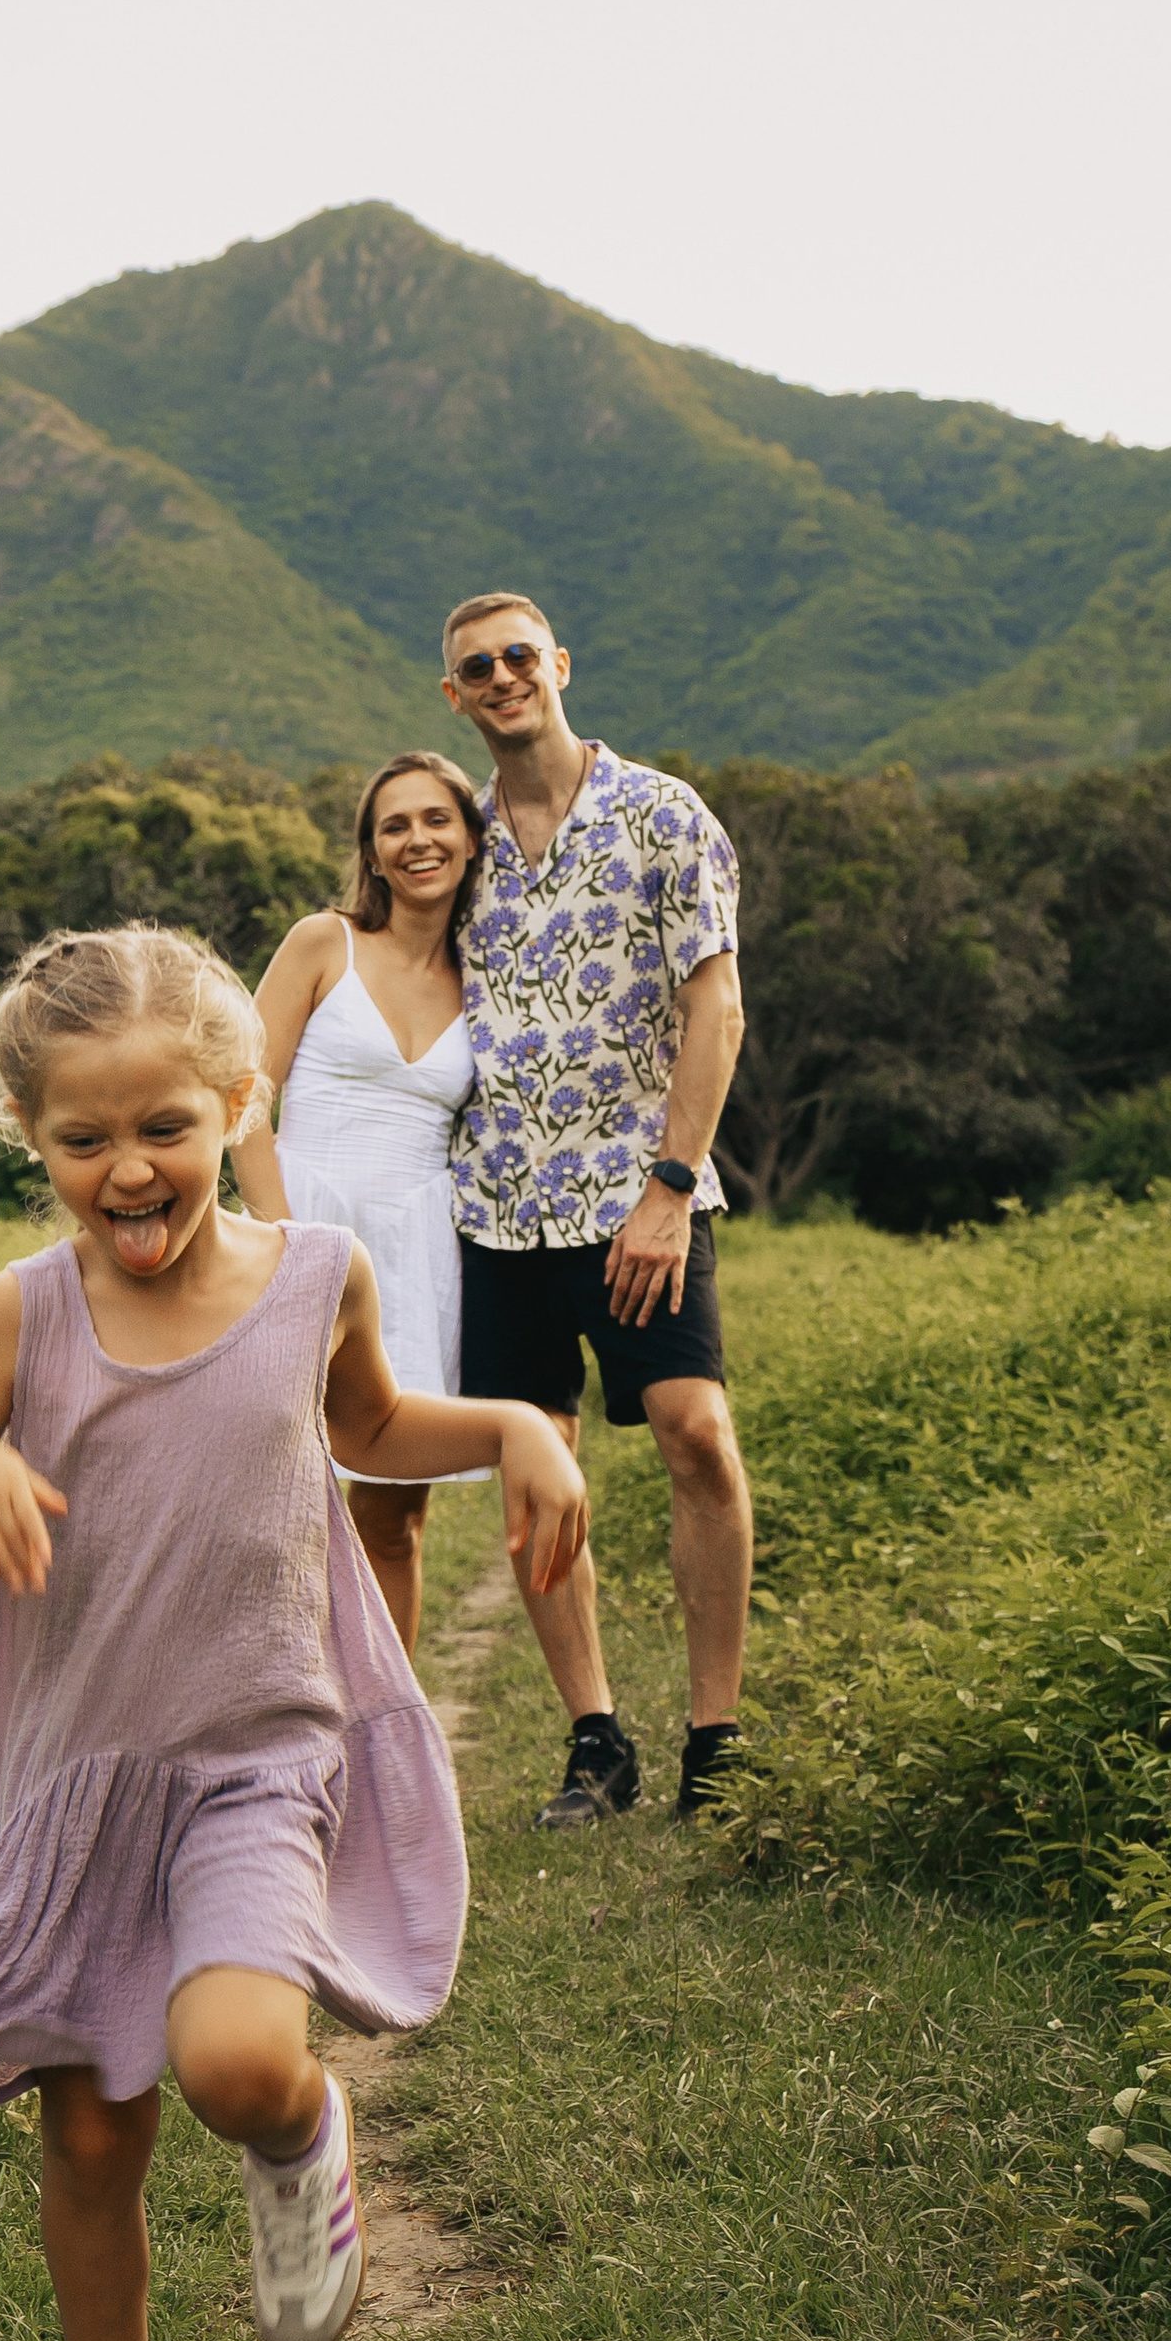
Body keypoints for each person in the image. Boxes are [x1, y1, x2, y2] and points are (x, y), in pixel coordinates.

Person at [0, 921, 588, 2341]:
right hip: (73, 1780)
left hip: (262, 1757)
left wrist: (518, 1426)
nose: (128, 1168)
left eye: (165, 1127)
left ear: (237, 1099)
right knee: (94, 2134)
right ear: (31, 1139)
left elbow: (368, 1427)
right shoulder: (16, 1316)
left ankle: (299, 2137)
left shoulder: (318, 1273)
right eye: (83, 1138)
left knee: (241, 2061)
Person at [437, 592, 759, 1833]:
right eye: (480, 667)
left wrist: (670, 1189)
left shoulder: (662, 815)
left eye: (522, 655)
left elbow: (714, 1010)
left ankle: (715, 1737)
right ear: (456, 697)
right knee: (539, 1475)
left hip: (637, 1199)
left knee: (694, 1433)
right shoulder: (448, 842)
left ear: (559, 665)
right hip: (497, 1209)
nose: (506, 676)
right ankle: (595, 1740)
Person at [236, 752, 488, 1651]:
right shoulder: (323, 942)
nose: (418, 839)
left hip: (416, 1252)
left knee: (391, 1520)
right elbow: (241, 1097)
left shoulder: (488, 977)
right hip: (300, 1219)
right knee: (274, 1508)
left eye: (436, 820)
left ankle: (383, 1748)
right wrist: (281, 1236)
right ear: (373, 854)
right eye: (395, 826)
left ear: (469, 839)